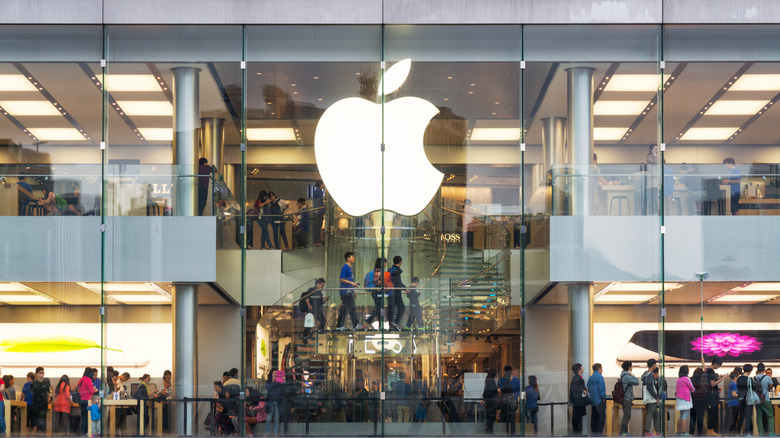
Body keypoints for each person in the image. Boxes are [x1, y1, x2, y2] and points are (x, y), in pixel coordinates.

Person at [337, 252, 363, 330]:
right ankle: (355, 324)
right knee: (351, 308)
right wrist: (353, 283)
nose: (354, 258)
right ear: (348, 258)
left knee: (344, 309)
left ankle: (339, 325)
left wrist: (353, 290)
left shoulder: (349, 268)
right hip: (345, 291)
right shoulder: (345, 267)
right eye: (352, 257)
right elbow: (341, 279)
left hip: (348, 291)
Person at [754, 362, 776, 436]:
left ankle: (761, 434)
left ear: (757, 369)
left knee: (759, 416)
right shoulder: (767, 378)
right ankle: (771, 433)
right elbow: (770, 387)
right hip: (765, 399)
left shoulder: (754, 378)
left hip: (757, 400)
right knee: (770, 416)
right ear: (764, 369)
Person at [705, 357, 726, 433]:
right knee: (713, 414)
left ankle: (711, 431)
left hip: (710, 395)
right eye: (719, 365)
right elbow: (712, 384)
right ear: (715, 364)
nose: (718, 367)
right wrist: (722, 378)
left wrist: (717, 378)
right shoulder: (711, 371)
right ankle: (711, 431)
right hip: (712, 397)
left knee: (711, 414)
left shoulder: (708, 370)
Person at [641, 359, 661, 437]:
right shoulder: (650, 375)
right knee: (651, 414)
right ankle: (647, 431)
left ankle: (657, 431)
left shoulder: (645, 374)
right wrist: (656, 397)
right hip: (651, 398)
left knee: (656, 414)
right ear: (653, 365)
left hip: (649, 398)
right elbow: (650, 387)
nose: (656, 366)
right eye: (655, 364)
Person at [498, 366, 520, 435]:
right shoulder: (516, 380)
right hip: (513, 402)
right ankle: (512, 434)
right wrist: (516, 399)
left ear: (505, 371)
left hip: (504, 402)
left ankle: (504, 433)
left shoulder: (502, 380)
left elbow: (501, 391)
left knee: (504, 418)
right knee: (512, 419)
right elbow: (518, 391)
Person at [619, 361, 639, 436]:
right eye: (631, 366)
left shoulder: (624, 375)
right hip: (626, 399)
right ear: (629, 367)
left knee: (626, 415)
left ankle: (625, 433)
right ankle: (622, 432)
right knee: (627, 415)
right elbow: (637, 382)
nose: (632, 367)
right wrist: (633, 375)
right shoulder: (627, 376)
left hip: (626, 398)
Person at [29, 367, 51, 435]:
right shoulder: (33, 383)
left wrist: (49, 398)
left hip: (44, 403)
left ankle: (43, 434)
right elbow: (32, 392)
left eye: (43, 372)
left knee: (43, 419)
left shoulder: (46, 382)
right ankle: (36, 434)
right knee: (36, 419)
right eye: (41, 373)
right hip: (35, 403)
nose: (42, 374)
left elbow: (49, 392)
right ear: (37, 374)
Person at [76, 367, 96, 436]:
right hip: (88, 400)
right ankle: (87, 433)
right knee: (88, 418)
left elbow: (79, 389)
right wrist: (95, 390)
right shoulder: (88, 380)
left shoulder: (81, 379)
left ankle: (82, 433)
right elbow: (91, 391)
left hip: (81, 400)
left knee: (83, 417)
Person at [570, 363, 589, 436]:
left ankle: (578, 433)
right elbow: (575, 389)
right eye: (582, 367)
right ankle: (577, 434)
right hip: (578, 402)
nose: (583, 368)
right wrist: (583, 390)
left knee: (578, 418)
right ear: (579, 369)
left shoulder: (578, 377)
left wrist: (583, 389)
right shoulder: (577, 378)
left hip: (578, 402)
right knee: (577, 419)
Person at [588, 363, 606, 436]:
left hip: (593, 401)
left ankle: (594, 433)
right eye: (601, 369)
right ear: (599, 369)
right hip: (599, 401)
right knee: (601, 418)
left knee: (594, 418)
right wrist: (603, 397)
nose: (602, 370)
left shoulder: (590, 378)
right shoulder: (600, 377)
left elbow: (588, 389)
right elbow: (601, 389)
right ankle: (599, 434)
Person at [388, 256, 406, 330]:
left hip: (390, 292)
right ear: (400, 262)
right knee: (401, 307)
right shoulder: (396, 271)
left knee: (392, 309)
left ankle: (392, 325)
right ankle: (395, 322)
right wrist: (405, 288)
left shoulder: (390, 270)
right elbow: (398, 283)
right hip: (396, 292)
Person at [676, 365, 695, 436]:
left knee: (681, 416)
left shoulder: (679, 379)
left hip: (679, 399)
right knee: (685, 415)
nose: (689, 370)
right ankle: (683, 433)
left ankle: (678, 432)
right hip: (686, 399)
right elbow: (692, 388)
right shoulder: (686, 378)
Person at [265, 370, 284, 437]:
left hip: (278, 402)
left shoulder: (280, 382)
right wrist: (273, 381)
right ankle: (266, 433)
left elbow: (283, 389)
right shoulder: (269, 381)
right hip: (270, 402)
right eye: (273, 373)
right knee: (268, 418)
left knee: (276, 418)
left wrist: (283, 381)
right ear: (271, 374)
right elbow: (268, 388)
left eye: (276, 373)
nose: (274, 374)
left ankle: (275, 434)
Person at [737, 363, 754, 436]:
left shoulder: (739, 378)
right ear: (750, 370)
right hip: (748, 400)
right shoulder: (749, 379)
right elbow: (753, 389)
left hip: (740, 399)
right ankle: (747, 433)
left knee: (741, 416)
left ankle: (738, 433)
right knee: (748, 416)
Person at [689, 367, 707, 436]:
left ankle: (691, 433)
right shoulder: (704, 380)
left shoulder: (690, 379)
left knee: (692, 418)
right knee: (700, 418)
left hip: (693, 400)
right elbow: (706, 389)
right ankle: (699, 434)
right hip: (702, 401)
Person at [482, 368, 498, 434]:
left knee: (489, 420)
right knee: (491, 420)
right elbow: (490, 393)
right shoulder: (492, 382)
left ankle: (489, 433)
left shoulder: (488, 381)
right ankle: (490, 434)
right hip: (491, 404)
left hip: (489, 404)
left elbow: (485, 393)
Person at [725, 369, 740, 435]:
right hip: (734, 403)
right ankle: (732, 431)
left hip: (731, 403)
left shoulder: (731, 383)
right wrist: (740, 395)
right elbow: (734, 394)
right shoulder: (734, 384)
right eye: (738, 377)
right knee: (734, 418)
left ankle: (731, 431)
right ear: (735, 377)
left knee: (733, 418)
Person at [311, 180, 325, 245]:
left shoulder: (316, 191)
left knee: (318, 226)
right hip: (319, 211)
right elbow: (320, 202)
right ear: (320, 184)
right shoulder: (318, 192)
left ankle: (316, 240)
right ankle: (316, 240)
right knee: (318, 226)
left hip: (317, 211)